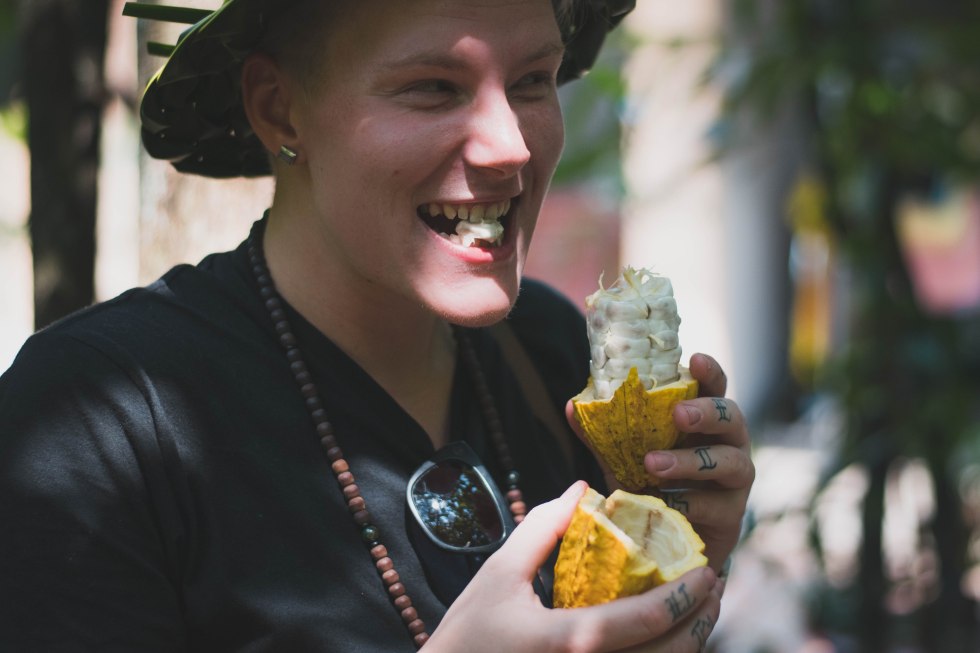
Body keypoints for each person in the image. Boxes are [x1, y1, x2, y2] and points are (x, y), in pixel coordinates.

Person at [0, 0, 755, 651]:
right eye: (433, 88)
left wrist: (672, 577)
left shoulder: (554, 354)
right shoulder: (94, 425)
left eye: (532, 80)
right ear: (277, 107)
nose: (512, 147)